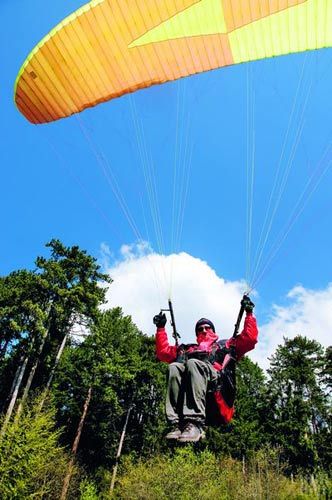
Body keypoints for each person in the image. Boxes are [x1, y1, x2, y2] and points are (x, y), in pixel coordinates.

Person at [153, 296, 258, 443]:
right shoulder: (187, 349)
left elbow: (249, 339)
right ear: (196, 334)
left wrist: (249, 313)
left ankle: (195, 423)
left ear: (213, 330)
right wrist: (160, 329)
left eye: (207, 327)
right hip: (192, 390)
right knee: (174, 367)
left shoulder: (226, 345)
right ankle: (176, 424)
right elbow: (163, 352)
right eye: (200, 329)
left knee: (193, 364)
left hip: (217, 390)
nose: (203, 330)